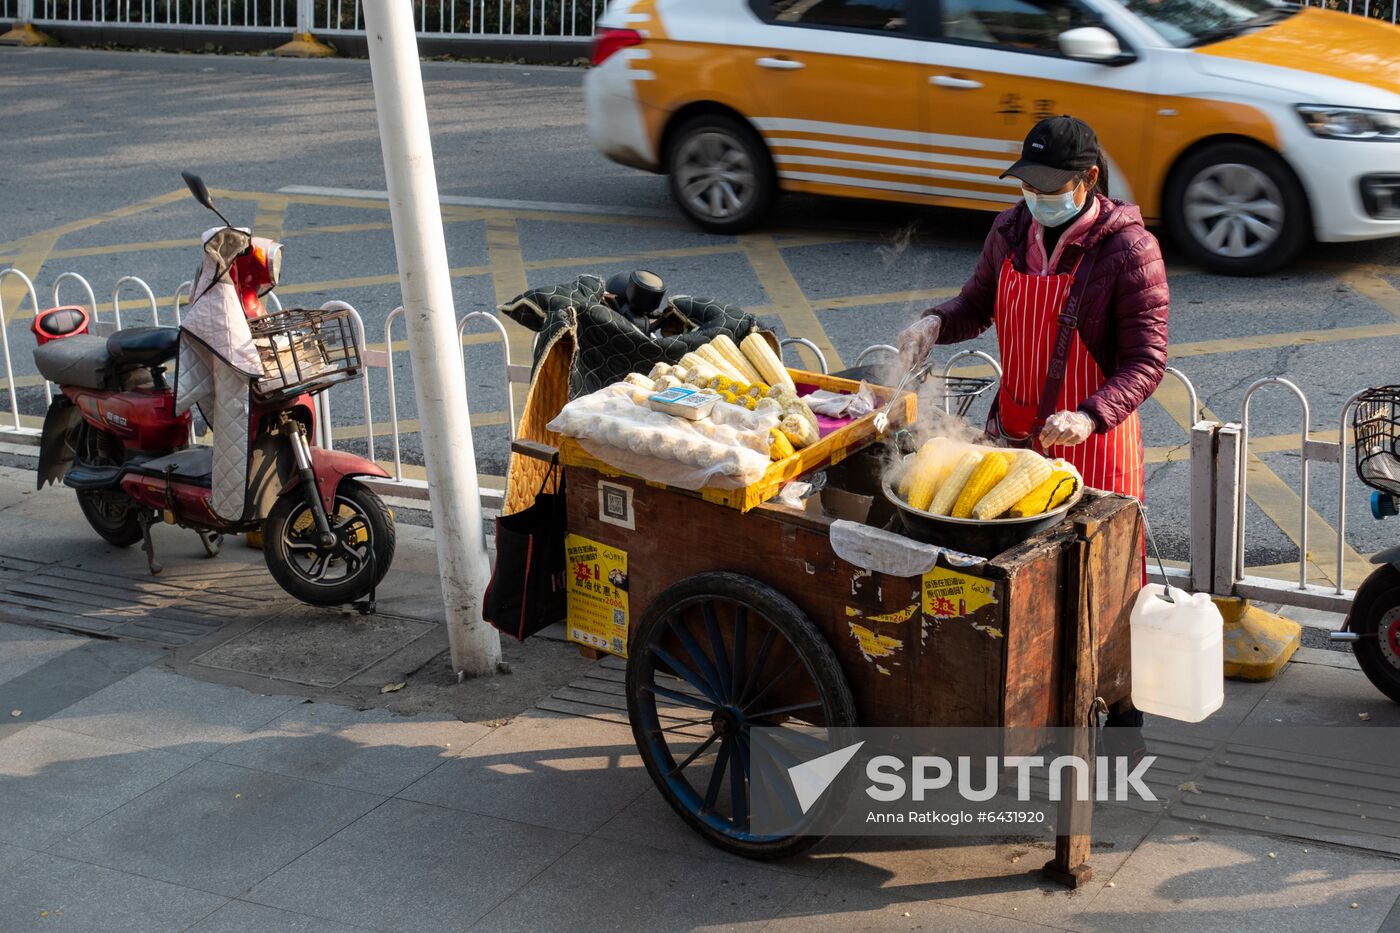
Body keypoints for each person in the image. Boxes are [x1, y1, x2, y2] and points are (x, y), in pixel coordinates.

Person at [898, 115, 1168, 732]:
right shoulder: (1012, 228)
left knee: (1100, 591)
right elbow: (978, 304)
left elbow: (1147, 361)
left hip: (1093, 442)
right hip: (1013, 438)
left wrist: (1090, 414)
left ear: (1088, 180)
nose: (1038, 199)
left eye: (1051, 188)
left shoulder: (1129, 250)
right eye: (1030, 185)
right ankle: (1028, 708)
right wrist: (936, 322)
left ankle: (1116, 708)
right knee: (1022, 589)